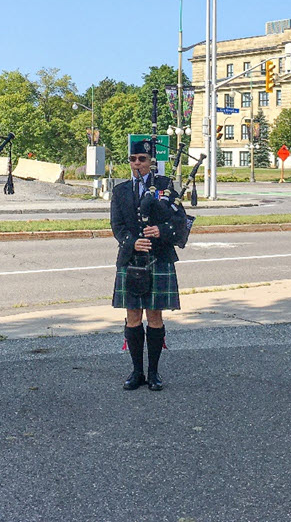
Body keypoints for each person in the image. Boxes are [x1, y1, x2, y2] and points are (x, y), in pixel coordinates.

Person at [110, 139, 182, 392]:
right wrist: (132, 243)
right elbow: (117, 226)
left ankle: (153, 373)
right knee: (132, 316)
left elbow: (180, 221)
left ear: (151, 162)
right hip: (131, 258)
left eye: (142, 159)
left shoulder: (165, 186)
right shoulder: (120, 191)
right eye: (133, 159)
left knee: (154, 316)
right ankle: (136, 371)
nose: (137, 163)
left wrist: (160, 230)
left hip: (158, 256)